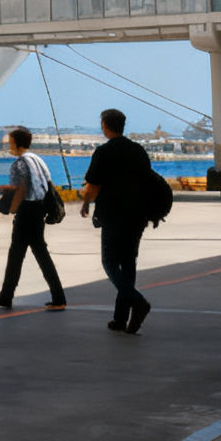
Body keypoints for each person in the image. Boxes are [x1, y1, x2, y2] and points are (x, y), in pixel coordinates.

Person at [80, 107, 155, 335]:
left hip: (113, 214)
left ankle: (137, 301)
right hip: (137, 214)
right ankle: (122, 319)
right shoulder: (138, 150)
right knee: (128, 263)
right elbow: (148, 179)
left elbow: (93, 185)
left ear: (104, 125)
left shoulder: (103, 152)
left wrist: (85, 203)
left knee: (109, 262)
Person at [0, 127, 67, 310]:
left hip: (27, 212)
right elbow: (44, 184)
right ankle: (55, 296)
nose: (9, 145)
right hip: (39, 210)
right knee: (35, 253)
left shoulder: (20, 163)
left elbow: (21, 188)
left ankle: (7, 296)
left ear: (16, 142)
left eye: (10, 142)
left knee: (19, 254)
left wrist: (12, 209)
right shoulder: (38, 160)